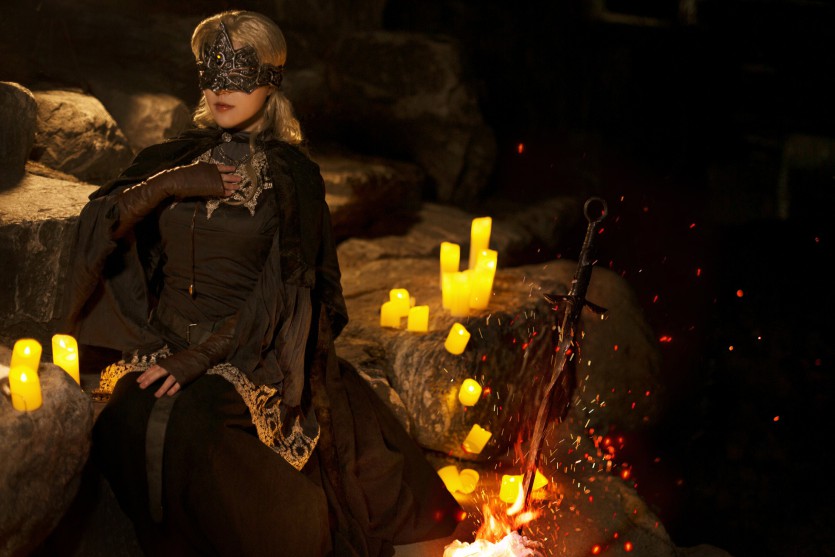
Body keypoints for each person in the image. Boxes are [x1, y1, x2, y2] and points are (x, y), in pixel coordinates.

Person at [60, 10, 462, 557]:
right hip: (165, 337)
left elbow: (283, 291)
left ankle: (289, 535)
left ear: (270, 82)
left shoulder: (292, 177)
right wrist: (166, 185)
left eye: (238, 73)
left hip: (253, 348)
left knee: (195, 430)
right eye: (211, 73)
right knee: (126, 420)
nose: (220, 88)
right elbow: (99, 224)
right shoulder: (175, 157)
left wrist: (199, 358)